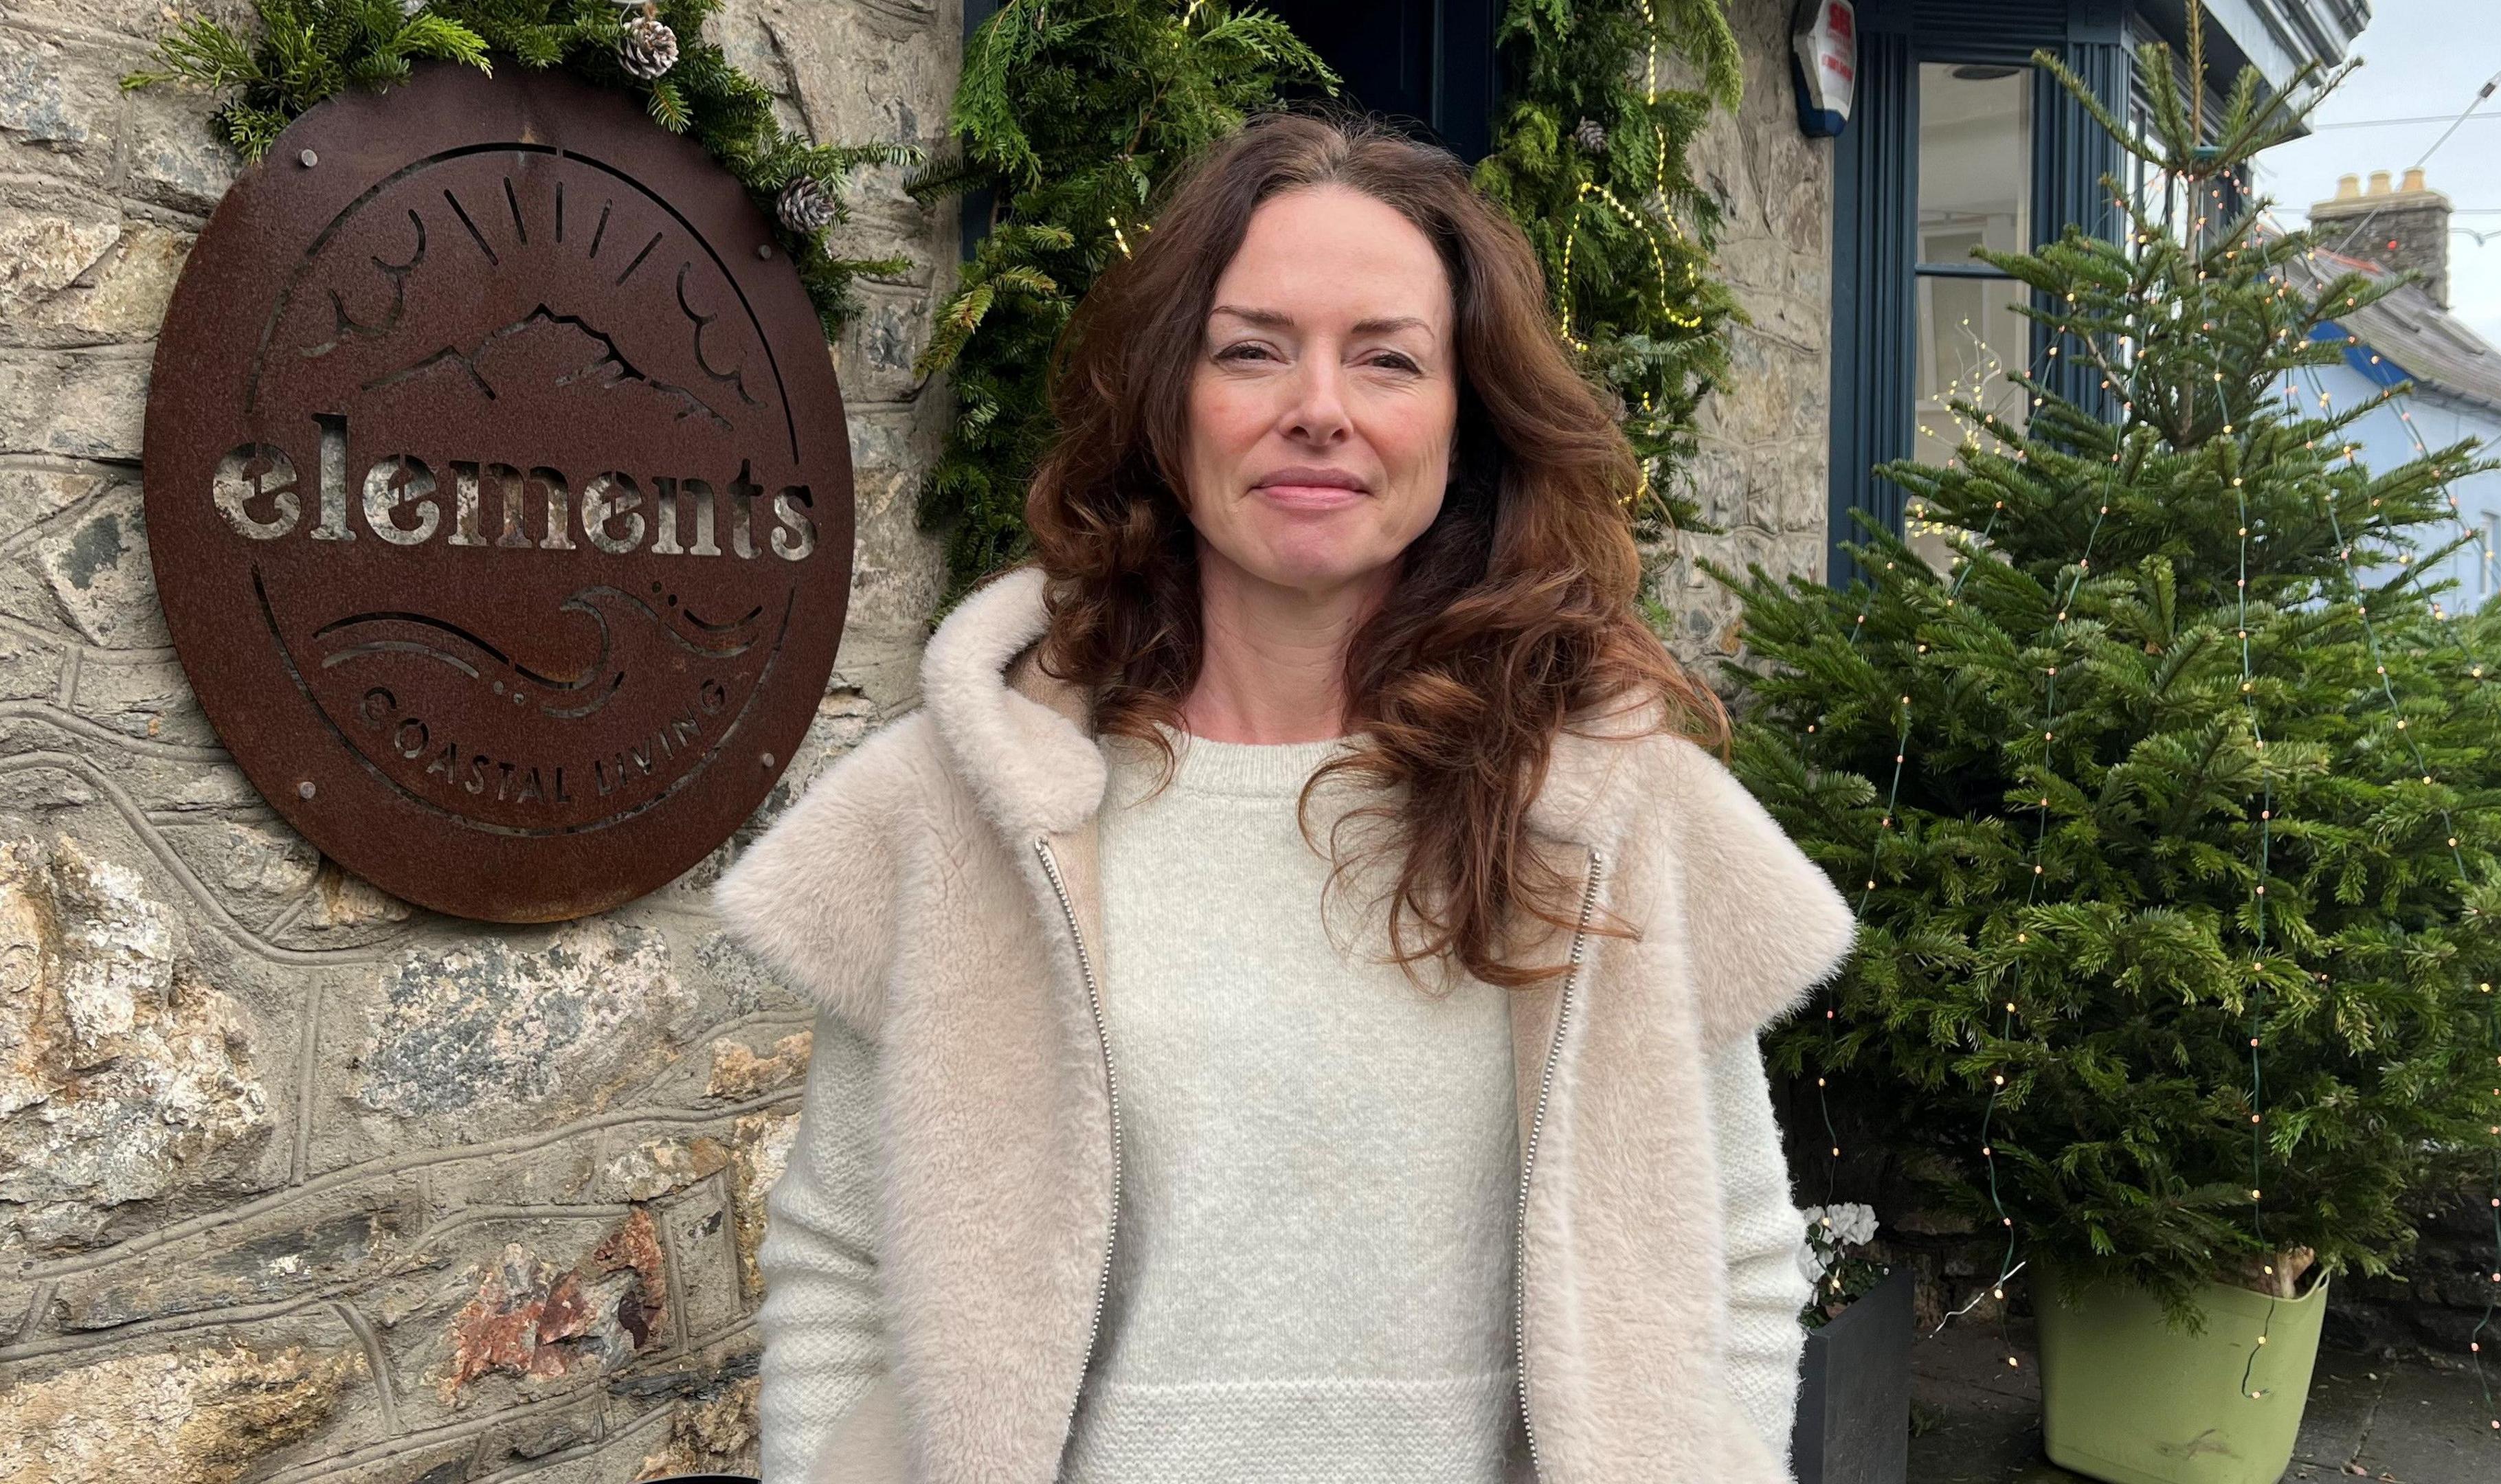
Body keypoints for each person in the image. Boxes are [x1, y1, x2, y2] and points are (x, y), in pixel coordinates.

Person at [715, 109, 1857, 1484]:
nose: (1319, 405)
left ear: (1463, 419)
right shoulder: (972, 809)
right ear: (1167, 400)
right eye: (1252, 349)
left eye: (1387, 358)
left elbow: (1734, 1254)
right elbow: (842, 1260)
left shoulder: (1601, 801)